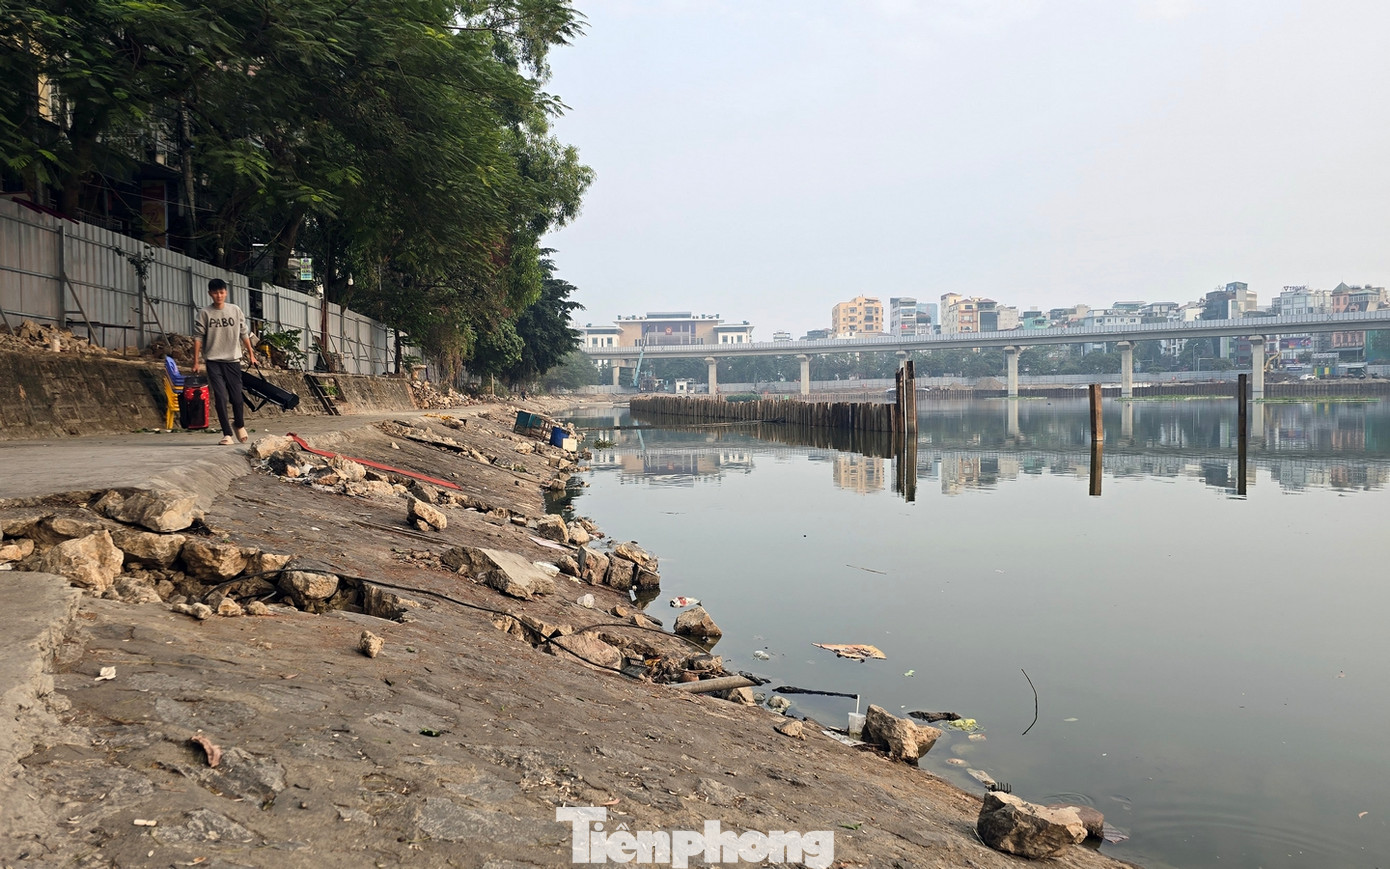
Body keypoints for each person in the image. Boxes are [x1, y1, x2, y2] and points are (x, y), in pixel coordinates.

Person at [192, 278, 258, 445]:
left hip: (232, 360)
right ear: (210, 294)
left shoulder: (235, 310)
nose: (219, 296)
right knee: (220, 397)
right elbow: (198, 337)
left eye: (221, 292)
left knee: (237, 398)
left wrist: (251, 354)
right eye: (215, 293)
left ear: (226, 293)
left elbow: (244, 333)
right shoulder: (204, 313)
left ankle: (239, 424)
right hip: (213, 361)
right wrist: (196, 361)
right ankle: (227, 433)